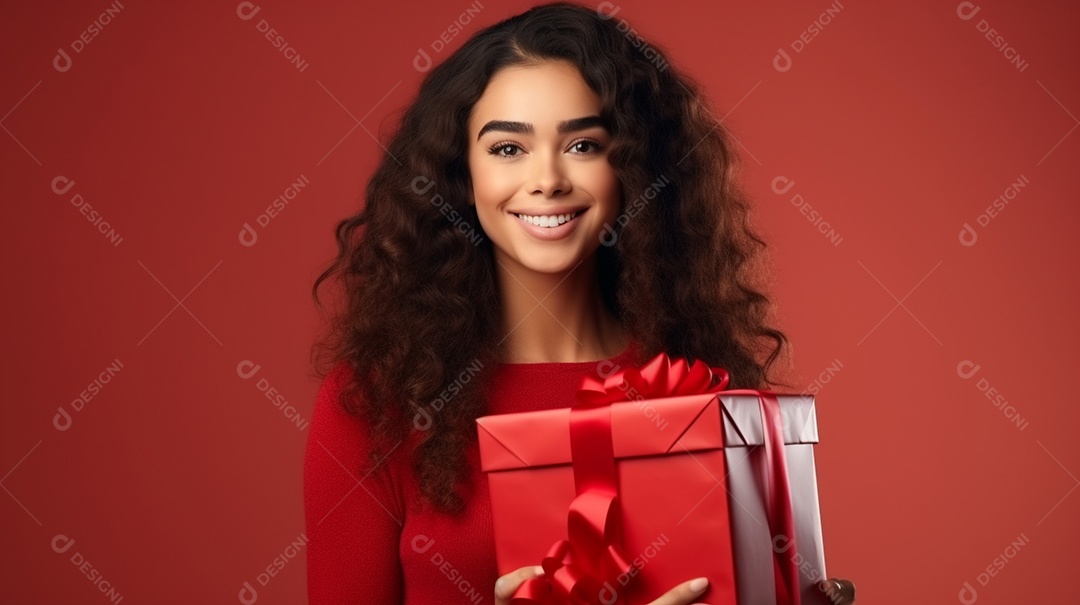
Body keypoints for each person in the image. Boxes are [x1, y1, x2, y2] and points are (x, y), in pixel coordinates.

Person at [305, 2, 857, 604]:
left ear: (635, 171)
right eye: (508, 149)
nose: (547, 179)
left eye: (584, 145)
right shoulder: (376, 404)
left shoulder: (701, 388)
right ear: (460, 175)